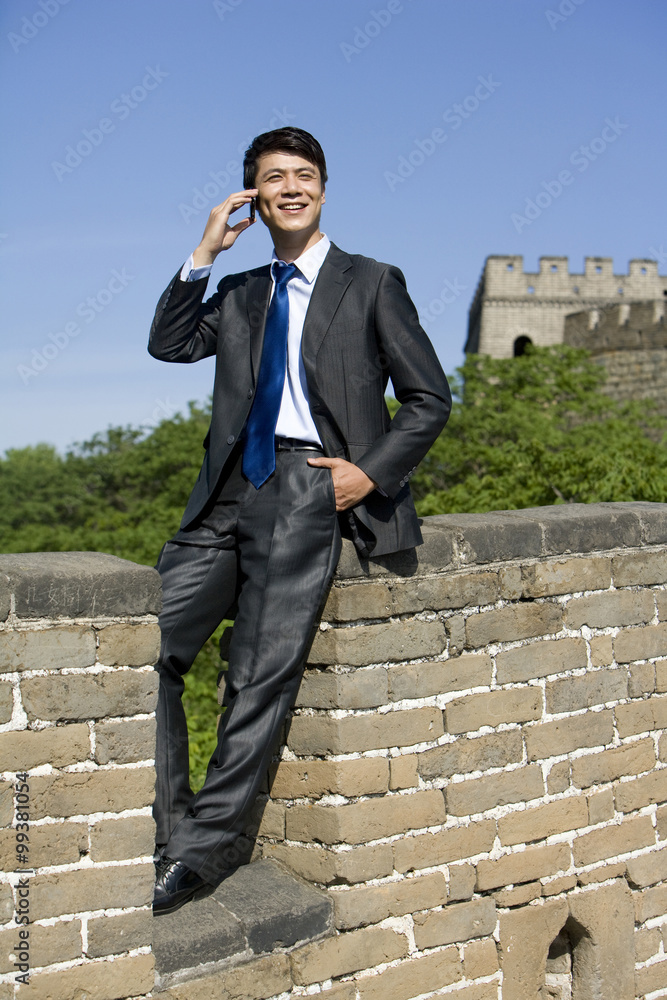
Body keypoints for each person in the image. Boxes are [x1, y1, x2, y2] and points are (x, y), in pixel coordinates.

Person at [148, 127, 451, 915]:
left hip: (309, 488)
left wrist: (367, 472)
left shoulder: (372, 281)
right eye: (273, 177)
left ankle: (204, 850)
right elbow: (170, 343)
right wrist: (205, 251)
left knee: (256, 672)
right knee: (149, 644)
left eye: (303, 174)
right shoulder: (244, 291)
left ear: (323, 187)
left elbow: (428, 399)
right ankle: (166, 822)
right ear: (253, 193)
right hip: (224, 494)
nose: (290, 186)